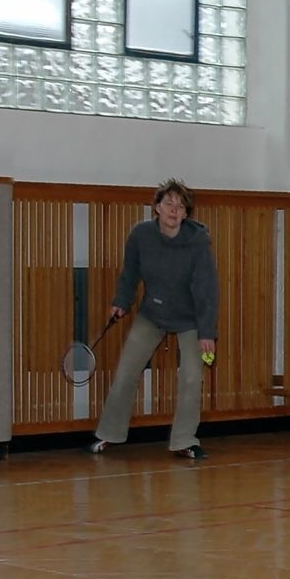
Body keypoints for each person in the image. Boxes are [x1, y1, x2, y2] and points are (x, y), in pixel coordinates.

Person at [88, 178, 219, 460]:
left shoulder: (197, 242)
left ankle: (184, 441)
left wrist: (207, 332)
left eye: (180, 207)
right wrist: (121, 301)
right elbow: (130, 272)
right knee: (126, 371)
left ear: (186, 214)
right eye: (169, 204)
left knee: (191, 377)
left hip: (190, 318)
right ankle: (109, 433)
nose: (174, 210)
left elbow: (207, 289)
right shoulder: (141, 235)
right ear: (157, 208)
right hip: (152, 313)